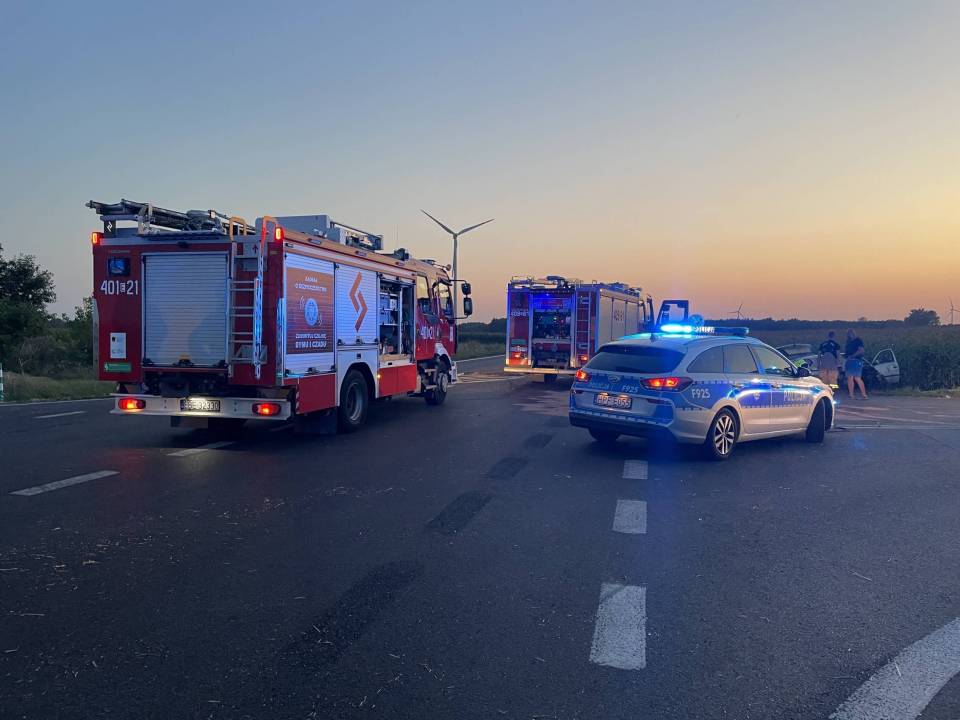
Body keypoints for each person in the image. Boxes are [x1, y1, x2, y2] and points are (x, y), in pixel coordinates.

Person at [844, 329, 867, 399]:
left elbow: (861, 350)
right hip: (849, 361)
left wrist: (853, 355)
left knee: (857, 378)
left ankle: (864, 394)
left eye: (850, 333)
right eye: (848, 334)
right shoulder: (848, 342)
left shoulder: (858, 341)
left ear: (853, 333)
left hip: (856, 361)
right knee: (849, 378)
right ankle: (851, 394)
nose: (849, 335)